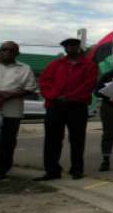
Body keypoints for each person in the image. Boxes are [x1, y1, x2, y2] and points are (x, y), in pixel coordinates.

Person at [35, 37, 98, 181]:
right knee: (52, 139)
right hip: (55, 106)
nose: (70, 47)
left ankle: (76, 169)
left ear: (79, 47)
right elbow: (45, 82)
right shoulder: (55, 65)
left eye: (73, 45)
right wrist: (55, 96)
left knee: (77, 139)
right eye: (67, 45)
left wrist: (69, 97)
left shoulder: (89, 65)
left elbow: (88, 85)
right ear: (64, 48)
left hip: (77, 107)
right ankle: (52, 170)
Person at [0, 41, 38, 181]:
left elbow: (30, 87)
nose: (7, 52)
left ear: (17, 53)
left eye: (11, 50)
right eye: (4, 49)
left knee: (7, 143)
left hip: (12, 112)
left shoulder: (25, 68)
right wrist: (0, 94)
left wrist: (7, 96)